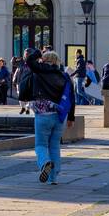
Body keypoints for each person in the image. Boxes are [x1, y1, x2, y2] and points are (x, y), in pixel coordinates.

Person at [23, 48, 74, 184]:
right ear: (57, 62)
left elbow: (28, 60)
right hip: (59, 116)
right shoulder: (64, 76)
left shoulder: (39, 71)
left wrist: (38, 53)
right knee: (55, 146)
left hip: (43, 114)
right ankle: (53, 177)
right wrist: (71, 117)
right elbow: (71, 97)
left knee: (41, 144)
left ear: (44, 60)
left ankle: (45, 162)